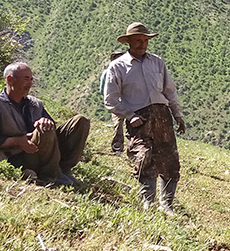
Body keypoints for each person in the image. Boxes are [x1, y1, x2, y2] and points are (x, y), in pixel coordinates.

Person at [103, 22, 186, 214]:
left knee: (170, 160)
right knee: (143, 157)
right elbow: (111, 99)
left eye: (145, 40)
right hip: (140, 119)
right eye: (137, 41)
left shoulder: (157, 62)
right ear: (129, 42)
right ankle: (147, 202)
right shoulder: (118, 67)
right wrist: (129, 115)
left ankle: (167, 205)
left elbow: (169, 91)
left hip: (163, 117)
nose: (142, 44)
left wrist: (177, 114)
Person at [0, 62, 90, 186]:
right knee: (44, 129)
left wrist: (46, 122)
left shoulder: (35, 103)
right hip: (20, 157)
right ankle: (51, 175)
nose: (30, 84)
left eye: (31, 79)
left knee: (80, 121)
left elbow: (53, 130)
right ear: (10, 80)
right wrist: (17, 141)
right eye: (26, 79)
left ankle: (64, 169)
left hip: (45, 151)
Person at [99, 50, 128, 154]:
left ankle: (125, 147)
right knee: (119, 124)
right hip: (118, 102)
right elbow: (103, 89)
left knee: (122, 124)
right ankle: (117, 148)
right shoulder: (109, 72)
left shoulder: (127, 71)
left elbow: (101, 89)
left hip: (126, 101)